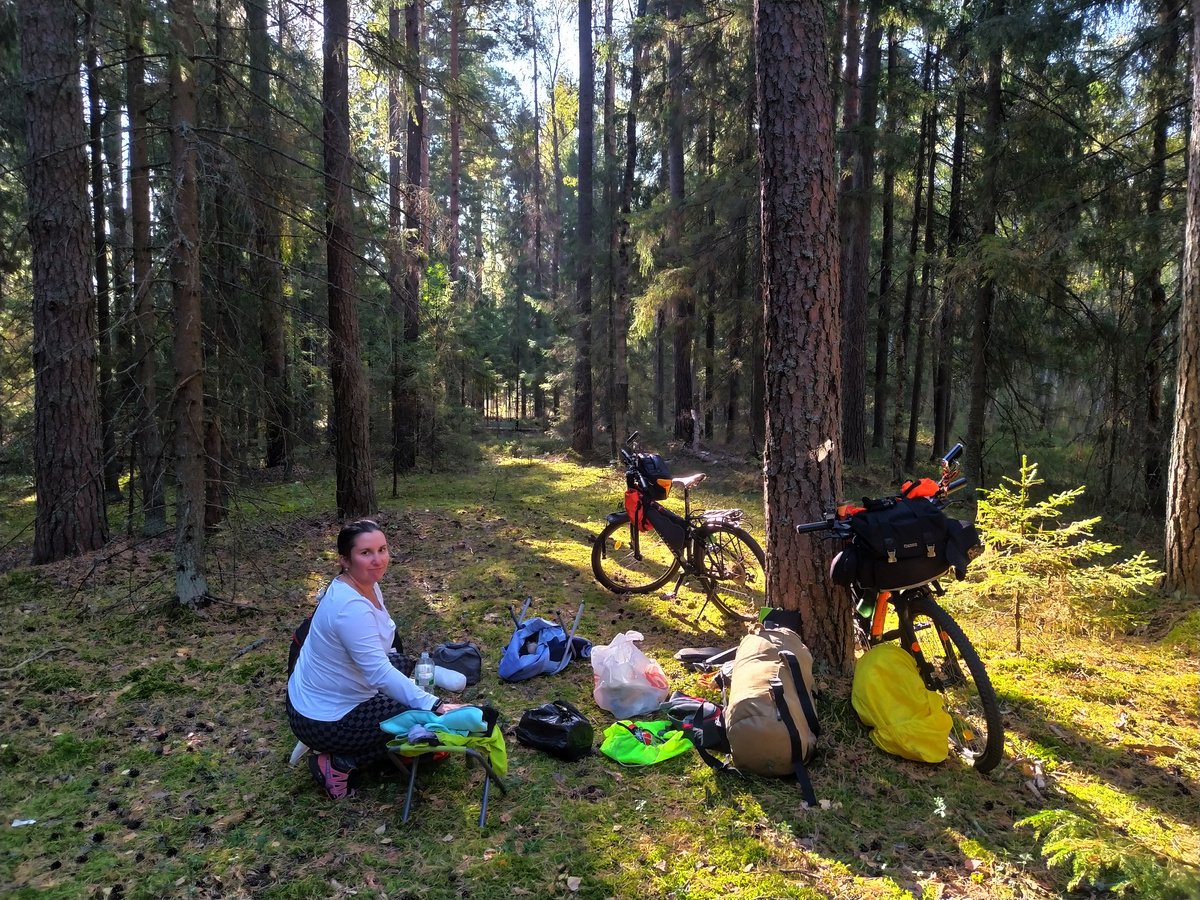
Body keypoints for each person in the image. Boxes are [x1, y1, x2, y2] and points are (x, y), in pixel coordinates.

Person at [287, 519, 465, 800]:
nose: (377, 560)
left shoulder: (361, 585)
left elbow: (378, 659)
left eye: (381, 549)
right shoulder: (349, 607)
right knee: (423, 728)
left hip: (322, 696)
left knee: (407, 685)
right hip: (322, 719)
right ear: (345, 560)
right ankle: (337, 762)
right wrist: (435, 705)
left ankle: (358, 745)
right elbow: (379, 673)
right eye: (366, 553)